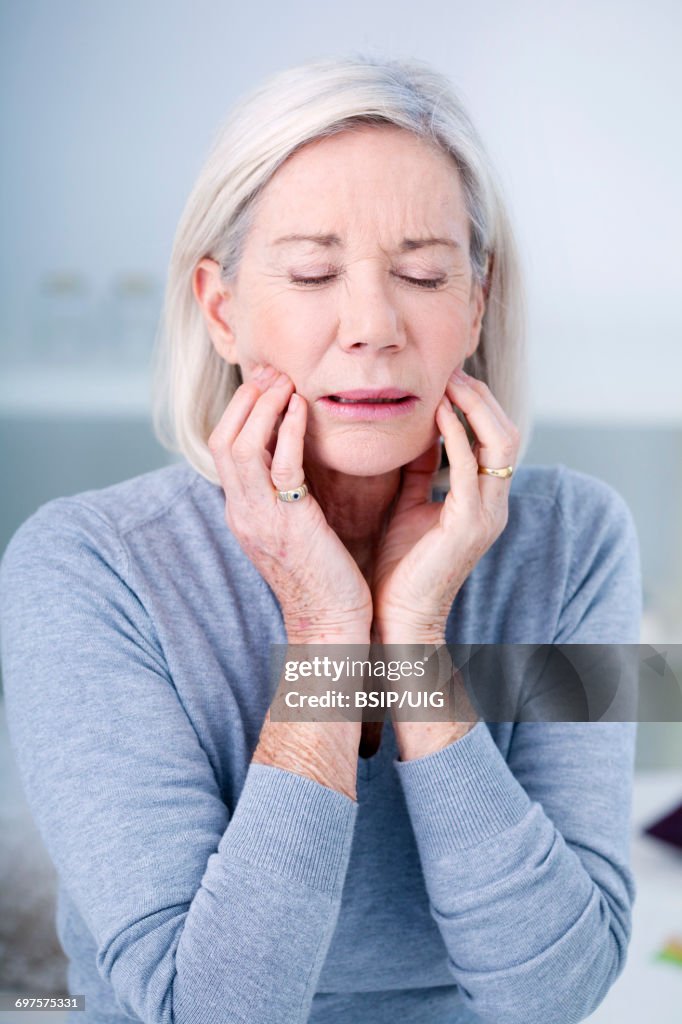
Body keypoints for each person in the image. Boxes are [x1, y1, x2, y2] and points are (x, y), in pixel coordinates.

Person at [0, 53, 642, 1024]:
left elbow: (556, 991)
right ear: (221, 310)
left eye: (423, 273)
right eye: (312, 271)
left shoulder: (579, 539)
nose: (373, 325)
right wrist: (328, 632)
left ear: (475, 301)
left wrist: (414, 641)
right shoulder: (82, 565)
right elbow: (205, 1008)